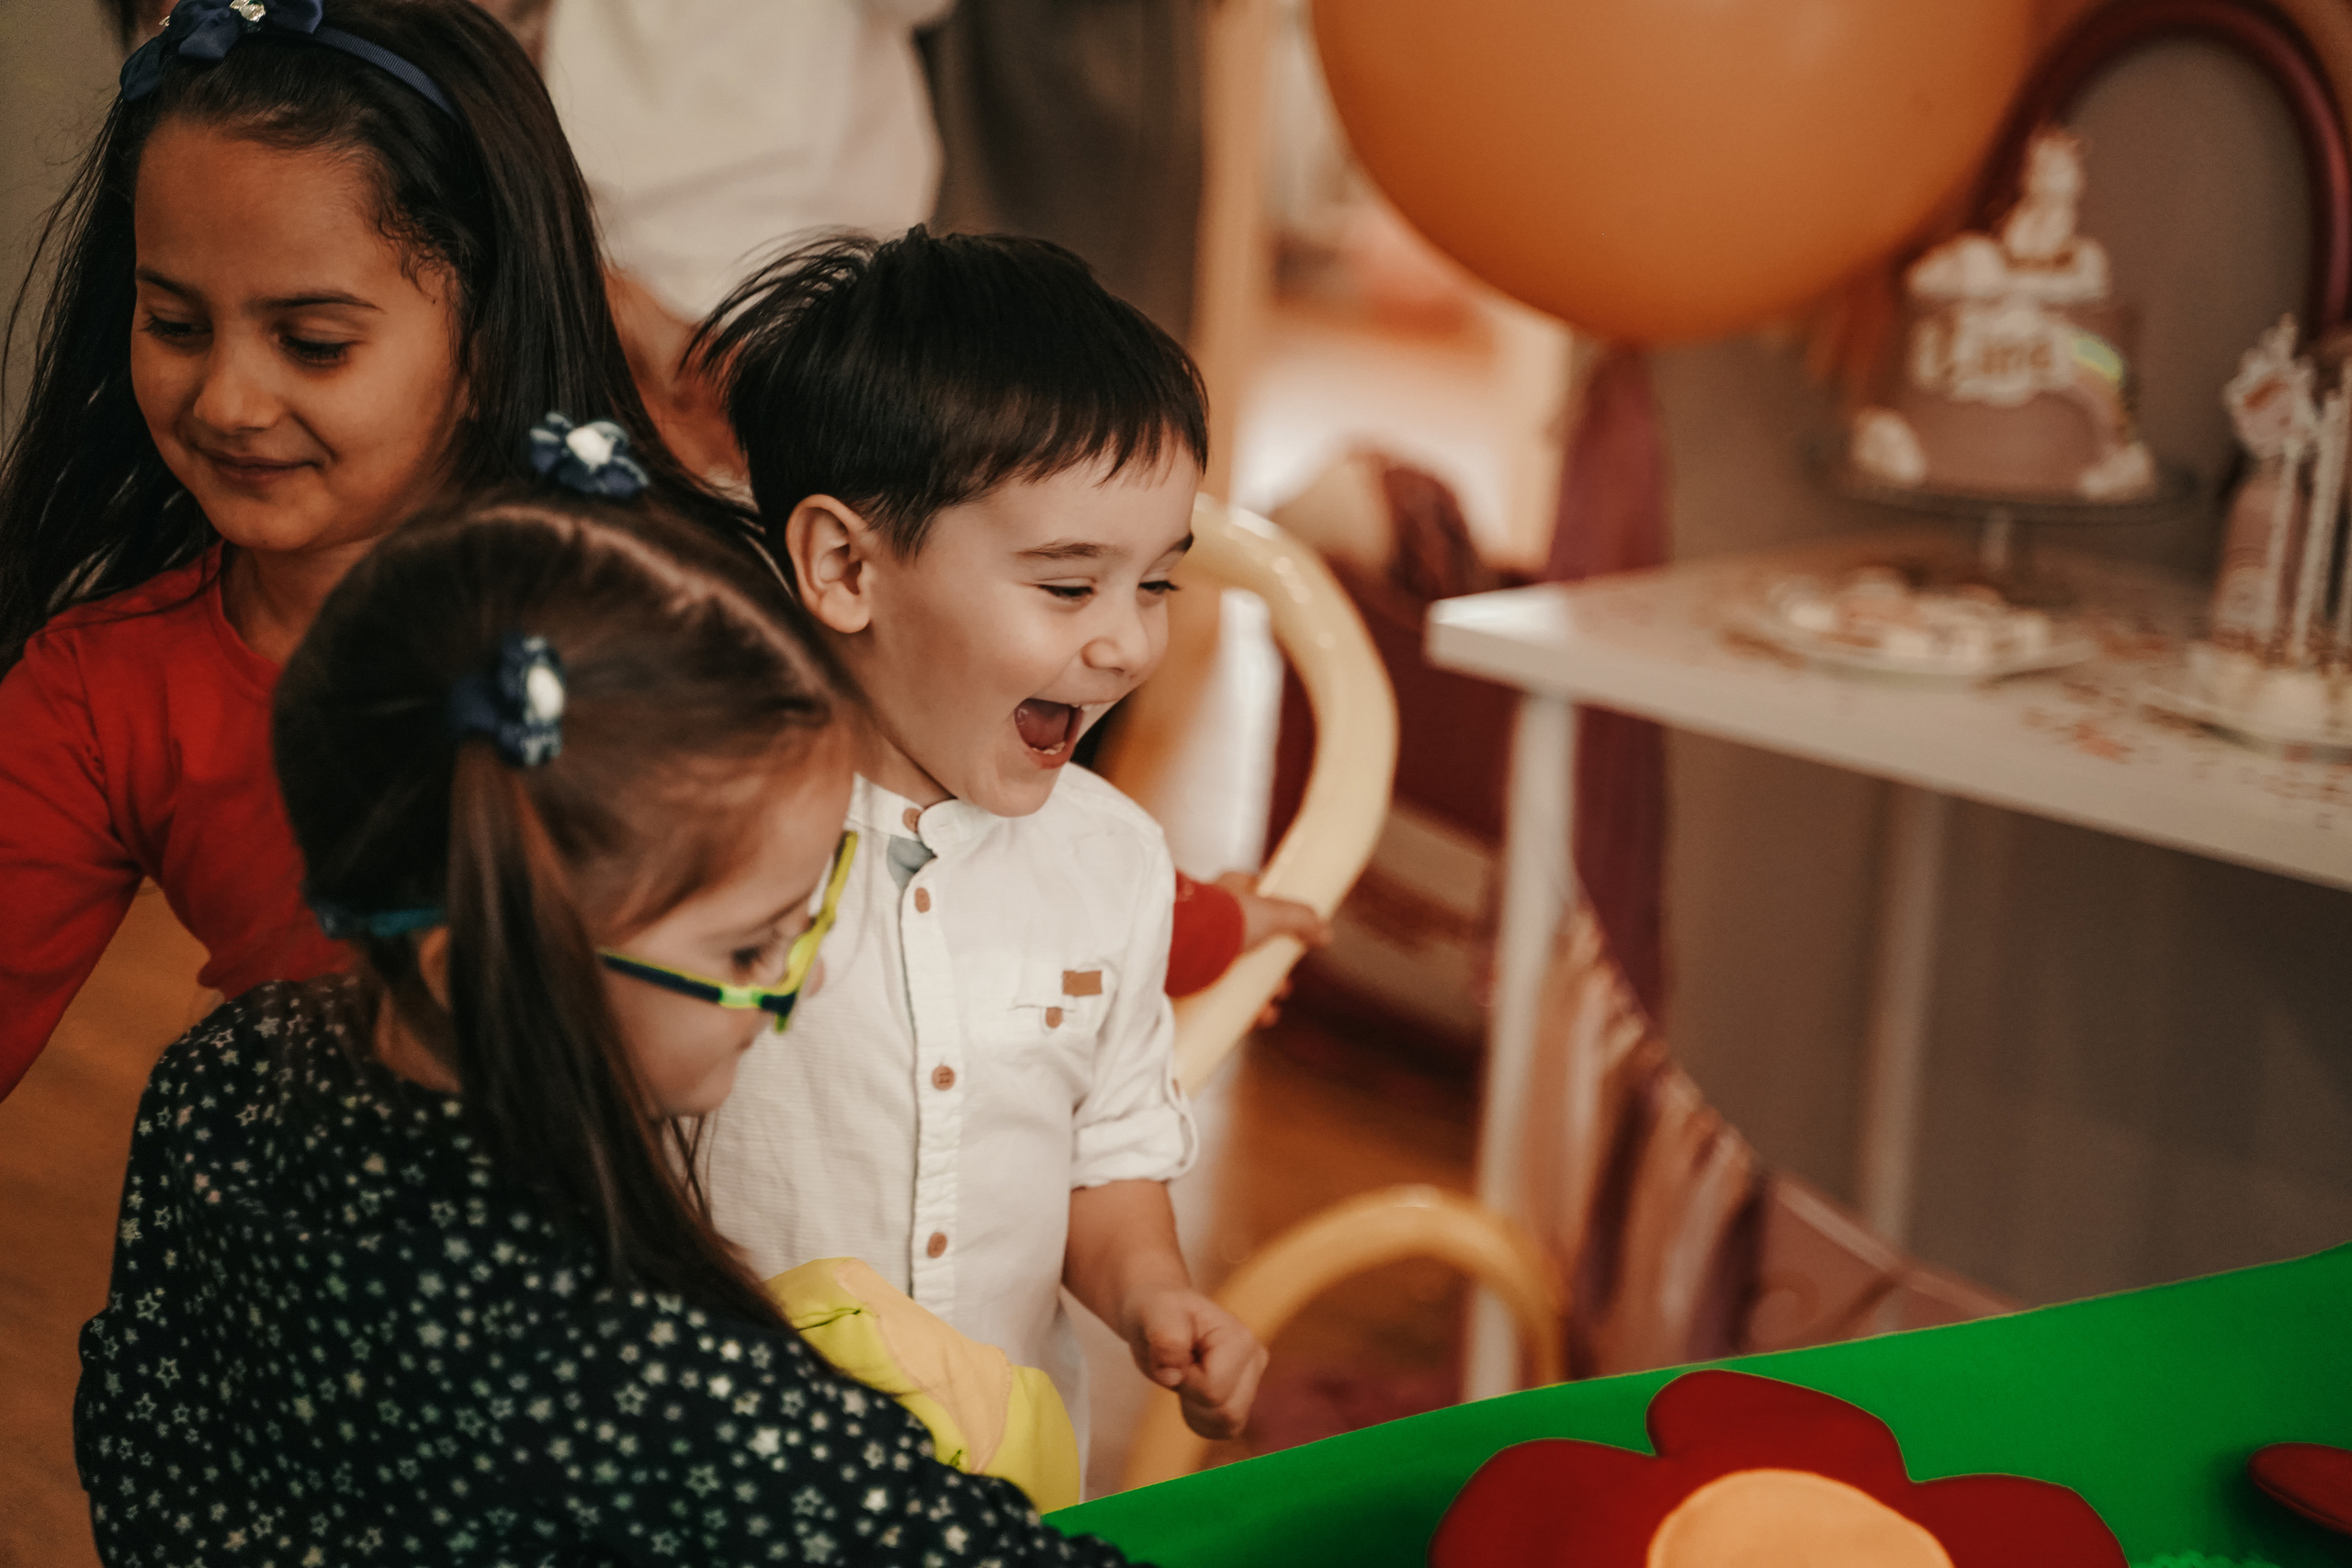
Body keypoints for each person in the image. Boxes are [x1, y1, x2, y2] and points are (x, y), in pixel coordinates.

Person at [74, 492, 1141, 1564]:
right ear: (480, 972)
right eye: (745, 950)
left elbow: (138, 1429)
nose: (797, 987)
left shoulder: (216, 1072)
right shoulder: (657, 1385)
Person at [0, 0, 744, 1100]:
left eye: (314, 344)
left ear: (487, 338)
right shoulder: (98, 695)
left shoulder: (661, 622)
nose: (229, 400)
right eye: (175, 324)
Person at [691, 229, 1276, 1450]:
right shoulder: (699, 831)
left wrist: (1152, 1292)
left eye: (1157, 582)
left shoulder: (1110, 862)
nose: (1128, 642)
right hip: (716, 1472)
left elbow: (1104, 1158)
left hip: (987, 1478)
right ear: (846, 564)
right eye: (1070, 586)